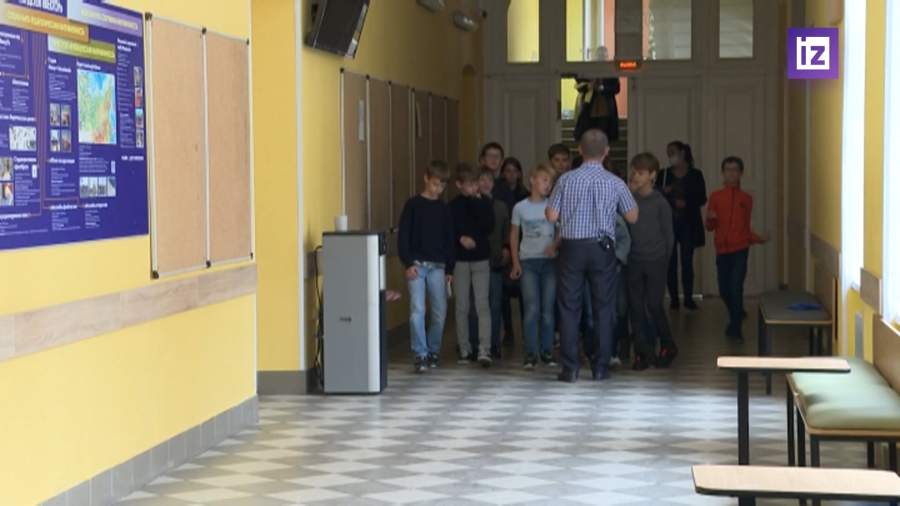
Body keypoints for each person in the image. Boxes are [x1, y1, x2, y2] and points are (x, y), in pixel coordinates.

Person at [546, 129, 638, 382]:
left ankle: (570, 368)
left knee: (569, 307)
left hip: (572, 248)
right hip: (602, 248)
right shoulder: (615, 182)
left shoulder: (566, 180)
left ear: (579, 150)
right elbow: (632, 217)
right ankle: (600, 367)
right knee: (604, 308)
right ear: (606, 151)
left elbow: (551, 216)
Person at [397, 161, 455, 373]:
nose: (437, 189)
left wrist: (450, 269)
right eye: (434, 184)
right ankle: (420, 353)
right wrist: (407, 263)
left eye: (442, 186)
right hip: (417, 265)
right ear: (426, 178)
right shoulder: (413, 205)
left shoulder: (444, 209)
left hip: (438, 266)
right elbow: (403, 237)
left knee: (439, 312)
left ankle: (433, 350)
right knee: (417, 310)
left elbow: (449, 239)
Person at [706, 156, 767, 341]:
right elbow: (709, 226)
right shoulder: (715, 196)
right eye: (728, 170)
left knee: (736, 287)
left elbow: (745, 228)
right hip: (722, 250)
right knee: (724, 290)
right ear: (723, 173)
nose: (731, 173)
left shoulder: (746, 199)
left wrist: (758, 239)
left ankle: (735, 328)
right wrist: (711, 219)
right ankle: (737, 312)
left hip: (740, 249)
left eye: (735, 170)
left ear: (741, 173)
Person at [627, 153, 677, 370]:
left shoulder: (660, 203)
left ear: (652, 175)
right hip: (634, 259)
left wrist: (664, 260)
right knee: (636, 307)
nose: (635, 176)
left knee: (654, 304)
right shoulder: (629, 200)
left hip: (656, 260)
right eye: (634, 172)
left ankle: (667, 345)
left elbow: (669, 236)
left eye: (640, 173)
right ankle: (642, 352)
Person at [510, 164, 559, 369]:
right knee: (531, 308)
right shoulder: (520, 207)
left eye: (551, 181)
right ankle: (530, 353)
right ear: (532, 180)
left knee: (548, 309)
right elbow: (514, 235)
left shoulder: (553, 206)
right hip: (528, 262)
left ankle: (547, 351)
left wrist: (555, 246)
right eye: (544, 180)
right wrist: (515, 262)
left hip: (549, 264)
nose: (548, 185)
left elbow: (562, 230)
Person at [450, 163, 495, 366]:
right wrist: (460, 238)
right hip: (460, 259)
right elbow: (449, 229)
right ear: (459, 185)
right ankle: (464, 348)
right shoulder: (453, 205)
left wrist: (478, 202)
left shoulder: (484, 202)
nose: (474, 188)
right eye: (469, 184)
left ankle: (485, 349)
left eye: (475, 184)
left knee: (482, 304)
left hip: (481, 257)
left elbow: (489, 226)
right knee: (462, 305)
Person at [657, 141, 707, 310]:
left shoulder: (695, 174)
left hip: (688, 223)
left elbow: (702, 198)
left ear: (682, 153)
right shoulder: (663, 174)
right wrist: (663, 192)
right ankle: (674, 299)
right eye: (668, 153)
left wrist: (687, 203)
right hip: (668, 224)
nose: (670, 156)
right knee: (670, 263)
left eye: (673, 152)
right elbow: (654, 195)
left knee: (687, 262)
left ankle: (688, 298)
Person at [469, 168, 510, 359]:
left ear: (494, 184)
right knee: (474, 305)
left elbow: (507, 231)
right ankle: (474, 344)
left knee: (494, 304)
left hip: (495, 261)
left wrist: (506, 248)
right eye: (481, 180)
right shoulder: (470, 204)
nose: (485, 183)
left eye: (489, 180)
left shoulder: (501, 207)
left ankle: (494, 344)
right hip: (475, 260)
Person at [493, 157, 528, 345]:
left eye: (515, 171)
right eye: (507, 171)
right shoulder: (497, 195)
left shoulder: (526, 195)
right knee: (504, 294)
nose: (511, 174)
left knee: (524, 293)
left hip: (524, 247)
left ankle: (525, 330)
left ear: (520, 173)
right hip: (504, 246)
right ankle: (508, 331)